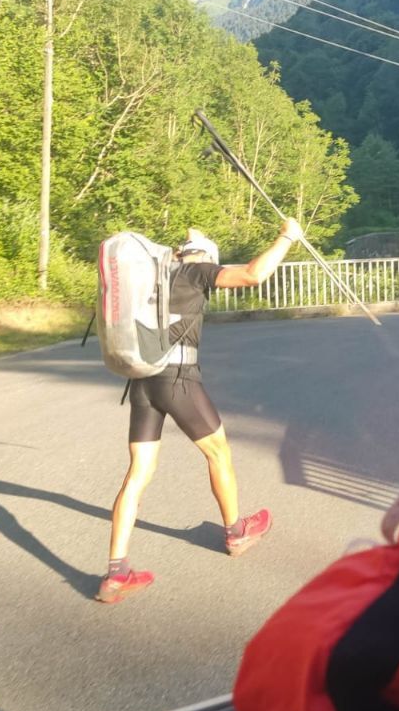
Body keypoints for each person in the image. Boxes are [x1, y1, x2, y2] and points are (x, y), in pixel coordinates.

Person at [96, 218, 302, 605]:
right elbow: (254, 274)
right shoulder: (197, 271)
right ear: (206, 256)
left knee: (137, 473)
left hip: (143, 380)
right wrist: (287, 236)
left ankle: (116, 572)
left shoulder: (156, 278)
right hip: (178, 380)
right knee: (218, 453)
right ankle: (236, 532)